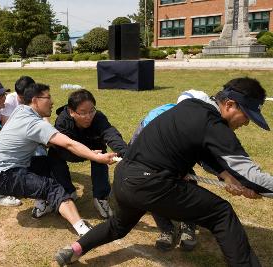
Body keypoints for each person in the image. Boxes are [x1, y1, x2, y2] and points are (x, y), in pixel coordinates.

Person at [55, 77, 272, 267]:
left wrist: (225, 175)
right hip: (151, 184)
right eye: (247, 116)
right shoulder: (214, 125)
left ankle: (74, 249)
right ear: (230, 104)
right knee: (221, 213)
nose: (246, 123)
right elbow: (251, 175)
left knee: (118, 226)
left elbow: (198, 149)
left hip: (124, 179)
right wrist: (247, 182)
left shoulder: (190, 108)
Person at [0, 83, 117, 236]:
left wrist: (88, 153)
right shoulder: (33, 123)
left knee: (49, 163)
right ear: (35, 100)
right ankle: (82, 228)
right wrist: (95, 157)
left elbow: (52, 144)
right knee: (53, 187)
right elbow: (67, 143)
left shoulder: (20, 111)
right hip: (4, 176)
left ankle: (47, 200)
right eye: (48, 97)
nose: (52, 101)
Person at [129, 89, 210, 251]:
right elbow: (135, 145)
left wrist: (226, 176)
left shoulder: (199, 124)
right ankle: (166, 228)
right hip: (152, 161)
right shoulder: (156, 117)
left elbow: (205, 155)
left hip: (179, 158)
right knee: (152, 187)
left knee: (190, 182)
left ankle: (188, 224)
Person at [47, 89, 127, 219]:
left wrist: (125, 153)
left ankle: (101, 197)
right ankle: (68, 190)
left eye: (91, 111)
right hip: (69, 150)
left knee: (101, 155)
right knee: (53, 154)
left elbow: (111, 134)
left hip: (94, 148)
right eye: (83, 113)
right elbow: (64, 148)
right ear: (72, 112)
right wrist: (88, 154)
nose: (89, 116)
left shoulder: (98, 117)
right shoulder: (62, 121)